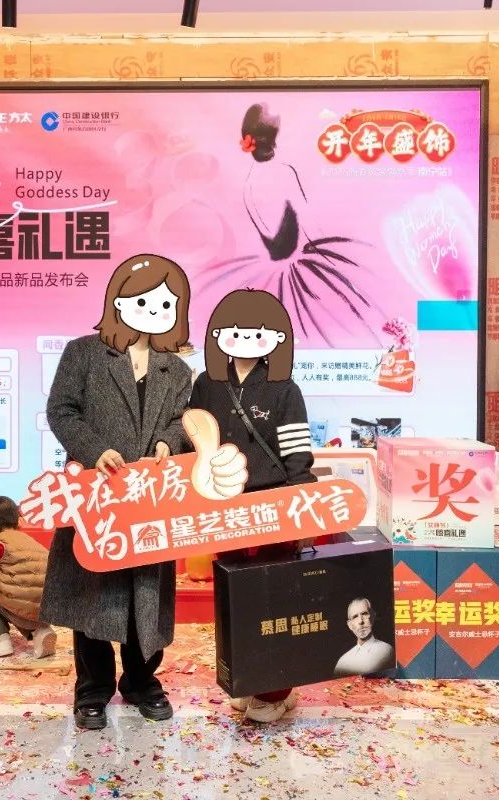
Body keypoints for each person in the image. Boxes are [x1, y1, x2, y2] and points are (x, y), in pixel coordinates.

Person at [40, 253, 193, 731]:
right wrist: (95, 450)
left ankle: (142, 683)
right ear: (118, 301)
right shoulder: (84, 353)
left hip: (151, 498)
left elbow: (182, 423)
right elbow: (61, 411)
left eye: (165, 303)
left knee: (147, 597)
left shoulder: (177, 370)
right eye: (142, 300)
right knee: (93, 594)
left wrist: (169, 442)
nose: (153, 310)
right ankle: (92, 690)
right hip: (97, 494)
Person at [188, 288, 317, 723]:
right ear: (218, 335)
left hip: (272, 506)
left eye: (259, 333)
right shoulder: (207, 385)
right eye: (236, 331)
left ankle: (276, 690)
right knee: (235, 599)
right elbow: (194, 440)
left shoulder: (284, 388)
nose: (246, 339)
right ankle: (247, 680)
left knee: (274, 599)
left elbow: (297, 453)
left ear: (277, 339)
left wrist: (301, 503)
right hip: (225, 508)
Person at [195, 102, 385, 349]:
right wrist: (331, 259)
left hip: (276, 272)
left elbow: (268, 235)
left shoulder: (248, 184)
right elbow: (308, 224)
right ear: (274, 140)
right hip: (304, 264)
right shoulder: (285, 173)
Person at [0, 496, 57, 659]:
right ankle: (41, 630)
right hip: (44, 611)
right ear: (18, 521)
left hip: (20, 612)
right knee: (24, 591)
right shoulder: (30, 541)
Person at [333, 598, 395, 678]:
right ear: (350, 625)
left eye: (364, 614)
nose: (361, 621)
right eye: (355, 617)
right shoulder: (343, 661)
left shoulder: (386, 650)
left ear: (372, 616)